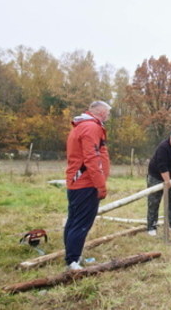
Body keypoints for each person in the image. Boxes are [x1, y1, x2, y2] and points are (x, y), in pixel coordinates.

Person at [64, 101, 111, 270]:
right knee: (81, 222)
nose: (107, 116)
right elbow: (92, 159)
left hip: (79, 182)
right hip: (85, 183)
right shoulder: (91, 128)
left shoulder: (83, 126)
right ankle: (72, 261)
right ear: (99, 112)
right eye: (106, 113)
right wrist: (100, 185)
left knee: (75, 220)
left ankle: (73, 255)